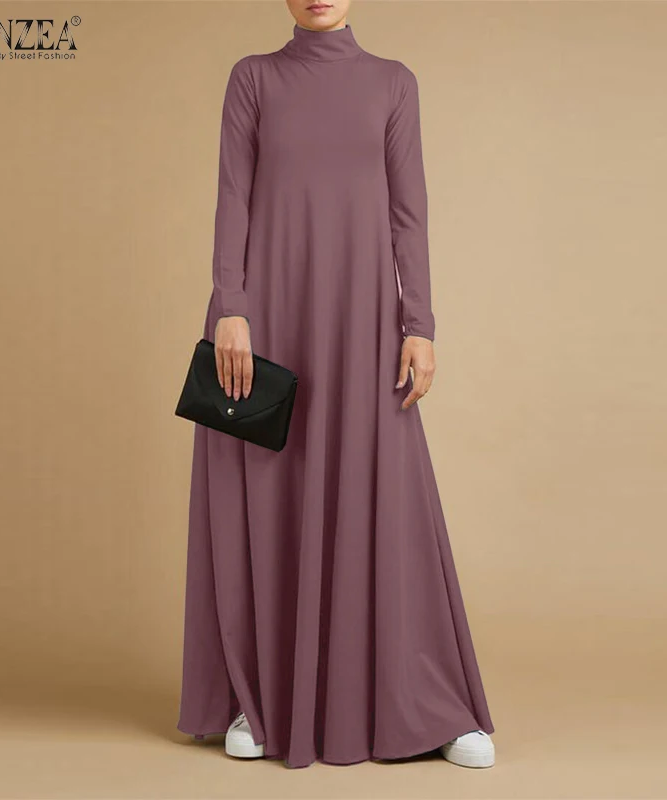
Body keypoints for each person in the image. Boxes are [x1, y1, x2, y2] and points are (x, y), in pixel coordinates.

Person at [176, 0, 496, 769]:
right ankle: (254, 696)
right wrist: (231, 307)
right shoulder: (253, 79)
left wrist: (420, 323)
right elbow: (232, 198)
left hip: (361, 321)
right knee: (262, 490)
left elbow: (409, 214)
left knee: (384, 495)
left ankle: (427, 703)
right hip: (267, 318)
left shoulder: (393, 84)